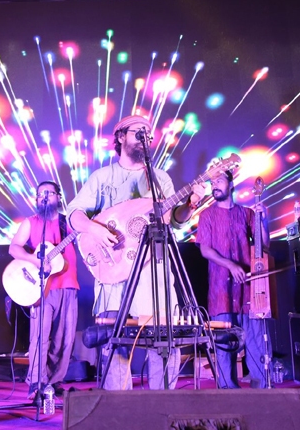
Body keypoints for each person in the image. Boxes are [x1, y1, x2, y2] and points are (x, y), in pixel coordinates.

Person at [67, 115, 205, 390]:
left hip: (153, 270)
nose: (145, 137)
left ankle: (163, 405)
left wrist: (191, 204)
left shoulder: (160, 178)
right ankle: (120, 406)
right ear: (120, 137)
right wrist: (95, 230)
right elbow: (74, 214)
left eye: (148, 133)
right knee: (114, 339)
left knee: (164, 336)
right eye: (138, 132)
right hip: (113, 268)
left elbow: (175, 219)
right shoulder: (102, 177)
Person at [197, 170, 269, 388]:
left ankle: (262, 390)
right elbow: (205, 250)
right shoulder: (206, 215)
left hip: (248, 287)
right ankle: (228, 390)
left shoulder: (246, 213)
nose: (214, 185)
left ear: (231, 184)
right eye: (212, 182)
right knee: (224, 342)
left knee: (255, 340)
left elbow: (264, 245)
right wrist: (230, 265)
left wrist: (263, 221)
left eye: (219, 181)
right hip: (221, 288)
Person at [8, 181, 78, 402]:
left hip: (68, 285)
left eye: (49, 193)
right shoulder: (30, 222)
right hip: (40, 288)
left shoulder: (69, 223)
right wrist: (34, 260)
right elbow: (14, 248)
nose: (44, 197)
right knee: (39, 337)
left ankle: (55, 382)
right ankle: (37, 383)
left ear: (59, 197)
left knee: (64, 339)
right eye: (40, 194)